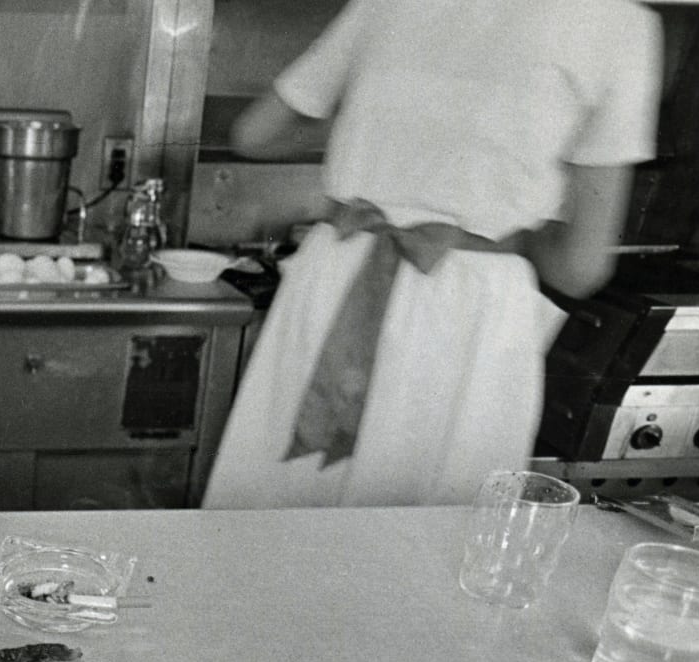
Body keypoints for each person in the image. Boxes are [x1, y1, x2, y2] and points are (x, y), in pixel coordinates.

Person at [200, 0, 663, 509]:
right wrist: (509, 232)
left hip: (339, 273)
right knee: (426, 527)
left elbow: (253, 135)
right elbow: (579, 268)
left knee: (277, 508)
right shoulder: (621, 24)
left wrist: (378, 133)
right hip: (468, 307)